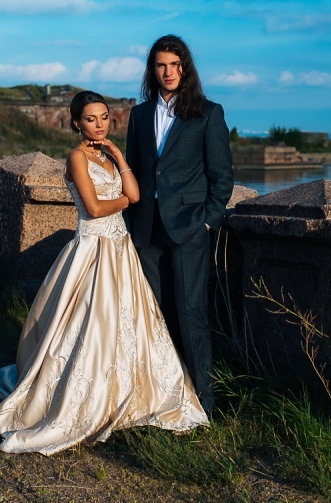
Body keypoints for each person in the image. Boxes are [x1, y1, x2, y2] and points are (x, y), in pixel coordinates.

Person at [0, 90, 208, 455]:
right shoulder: (76, 157)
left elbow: (135, 191)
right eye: (91, 119)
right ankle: (85, 397)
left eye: (104, 117)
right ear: (76, 123)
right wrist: (124, 201)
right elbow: (94, 207)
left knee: (130, 324)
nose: (99, 124)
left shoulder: (106, 154)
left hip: (121, 250)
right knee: (91, 324)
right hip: (93, 247)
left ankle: (128, 391)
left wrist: (119, 157)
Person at [125, 35, 234, 412]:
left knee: (191, 313)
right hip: (146, 229)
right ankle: (164, 395)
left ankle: (204, 400)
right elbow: (133, 172)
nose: (168, 72)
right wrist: (129, 224)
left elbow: (222, 177)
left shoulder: (208, 112)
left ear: (185, 68)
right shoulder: (140, 115)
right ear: (152, 70)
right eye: (161, 65)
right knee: (155, 313)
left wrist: (207, 222)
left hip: (190, 228)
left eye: (175, 65)